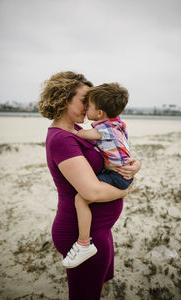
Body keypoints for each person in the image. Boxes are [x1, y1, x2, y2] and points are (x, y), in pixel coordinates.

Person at [38, 71, 141, 300]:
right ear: (65, 99)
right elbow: (90, 192)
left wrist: (135, 165)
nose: (89, 106)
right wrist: (127, 187)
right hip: (82, 236)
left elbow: (113, 151)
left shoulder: (76, 131)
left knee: (95, 289)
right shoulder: (63, 139)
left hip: (99, 230)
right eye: (84, 100)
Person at [63, 82, 134, 269]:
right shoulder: (117, 123)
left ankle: (84, 243)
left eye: (90, 105)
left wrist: (68, 130)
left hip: (116, 176)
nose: (87, 108)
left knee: (81, 199)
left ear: (100, 113)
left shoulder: (102, 129)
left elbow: (82, 134)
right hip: (121, 174)